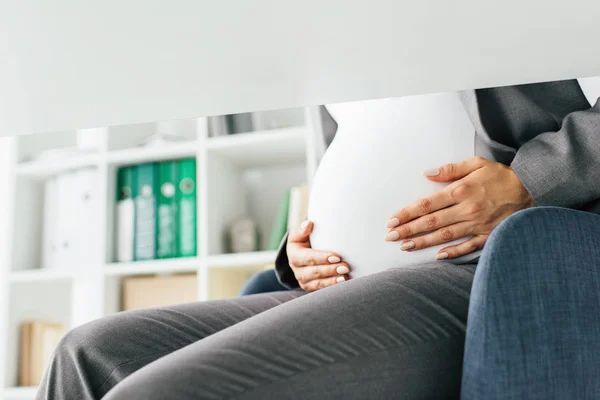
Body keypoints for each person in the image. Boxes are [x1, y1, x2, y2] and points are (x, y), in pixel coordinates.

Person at [37, 79, 600, 400]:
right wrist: (300, 247)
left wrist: (531, 179)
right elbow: (353, 148)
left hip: (480, 270)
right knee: (87, 355)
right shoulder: (331, 23)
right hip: (335, 283)